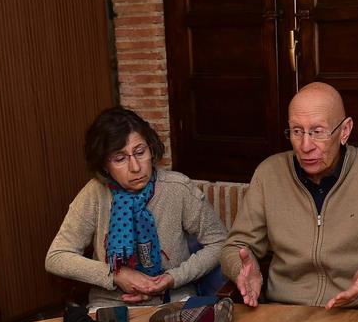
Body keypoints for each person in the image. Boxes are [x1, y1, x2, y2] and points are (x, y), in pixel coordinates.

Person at [219, 82, 358, 309]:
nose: (305, 145)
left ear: (344, 131)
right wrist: (242, 269)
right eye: (297, 131)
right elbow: (235, 246)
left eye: (317, 132)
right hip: (284, 313)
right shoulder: (269, 173)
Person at [46, 107, 226, 308]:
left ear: (151, 148)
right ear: (105, 165)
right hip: (111, 305)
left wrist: (172, 278)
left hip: (173, 300)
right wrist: (115, 274)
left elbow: (219, 242)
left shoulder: (178, 188)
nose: (135, 167)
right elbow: (57, 256)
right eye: (120, 158)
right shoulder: (95, 194)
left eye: (140, 152)